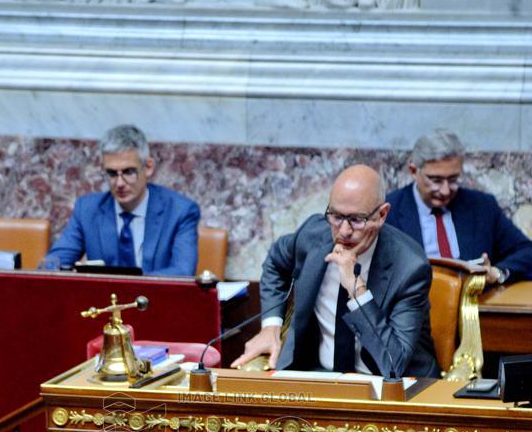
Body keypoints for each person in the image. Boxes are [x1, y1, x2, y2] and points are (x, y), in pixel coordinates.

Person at [232, 164, 439, 378]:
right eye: (336, 216)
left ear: (382, 214)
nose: (344, 231)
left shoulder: (410, 267)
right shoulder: (312, 235)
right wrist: (271, 326)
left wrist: (357, 290)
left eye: (357, 220)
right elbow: (275, 262)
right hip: (318, 376)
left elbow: (393, 364)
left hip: (388, 386)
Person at [46, 124, 200, 276]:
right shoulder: (87, 209)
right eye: (112, 173)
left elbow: (183, 272)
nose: (119, 183)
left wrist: (131, 287)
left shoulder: (180, 211)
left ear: (148, 167)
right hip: (102, 300)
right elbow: (52, 264)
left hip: (157, 299)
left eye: (128, 172)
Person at [386, 129, 532, 284]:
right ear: (414, 171)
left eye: (453, 179)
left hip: (476, 303)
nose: (445, 190)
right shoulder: (390, 210)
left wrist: (497, 273)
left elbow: (526, 252)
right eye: (436, 180)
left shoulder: (482, 206)